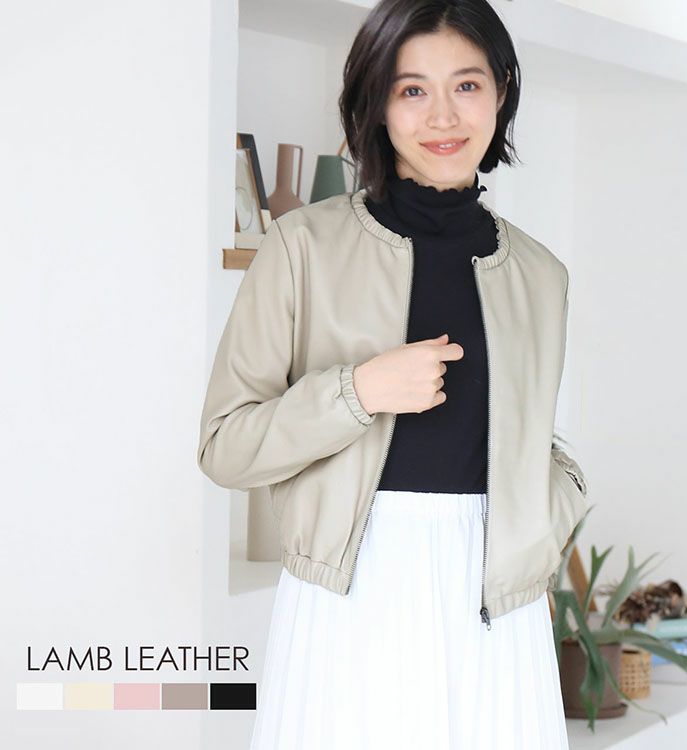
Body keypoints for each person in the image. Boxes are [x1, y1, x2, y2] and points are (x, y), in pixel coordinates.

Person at [197, 0, 589, 747]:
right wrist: (359, 393)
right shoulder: (302, 247)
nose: (443, 115)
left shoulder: (542, 275)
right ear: (377, 102)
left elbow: (532, 438)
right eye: (412, 89)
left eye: (467, 85)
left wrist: (557, 502)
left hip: (499, 602)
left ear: (501, 92)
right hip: (350, 589)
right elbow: (224, 445)